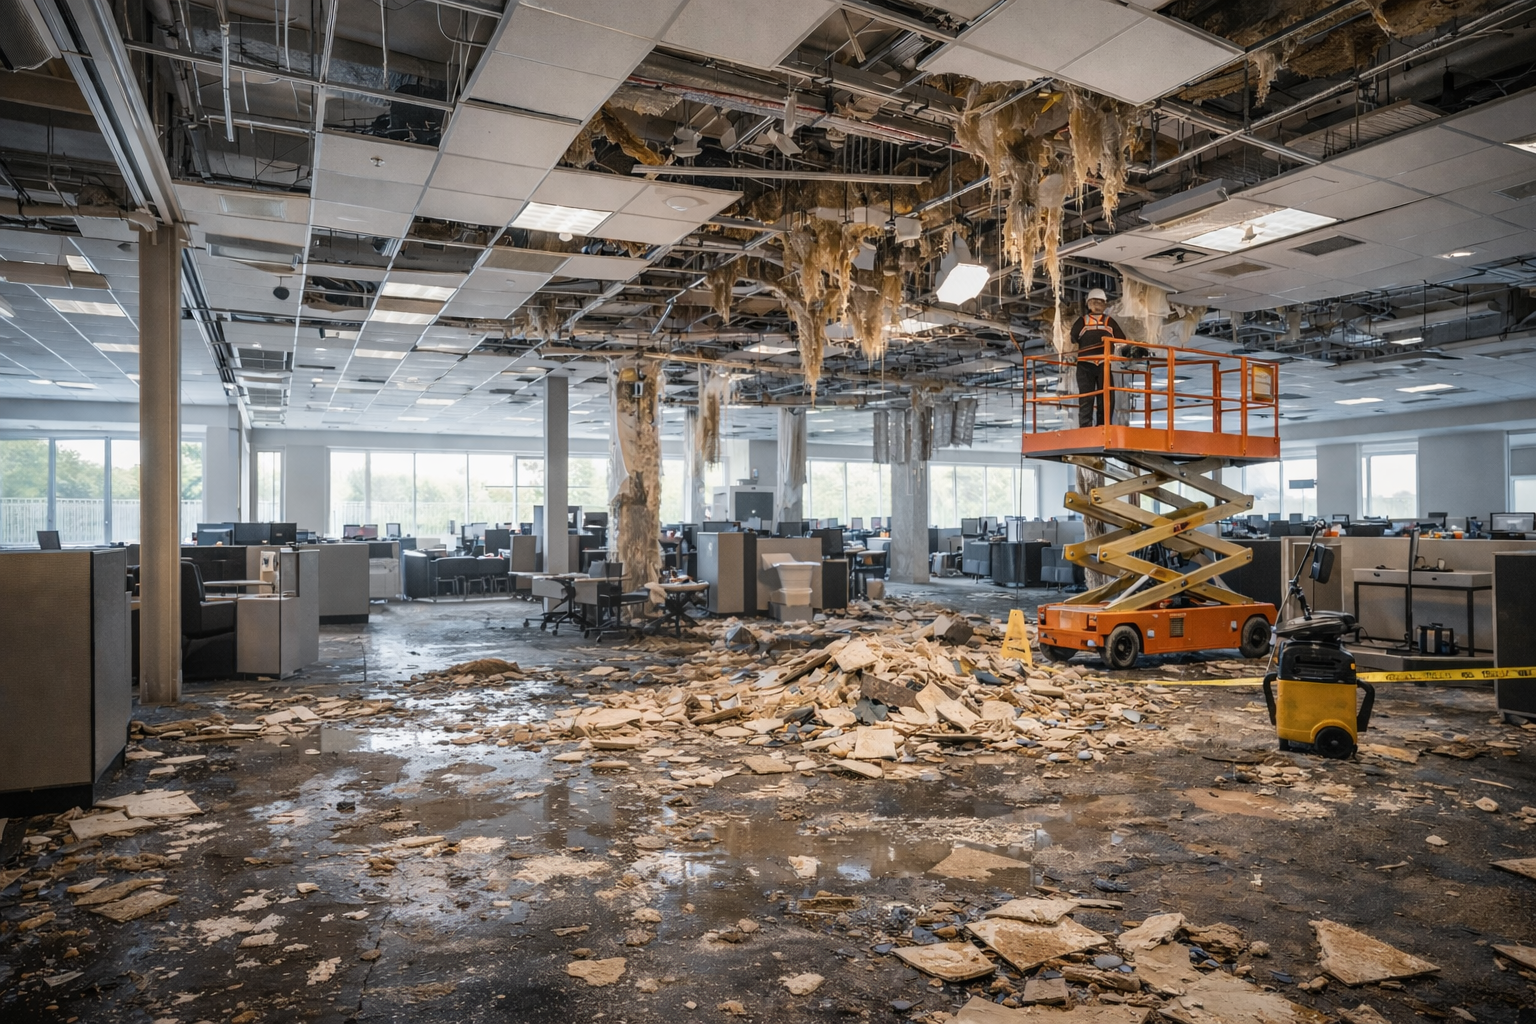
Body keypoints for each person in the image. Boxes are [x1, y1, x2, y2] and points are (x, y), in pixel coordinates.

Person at [1072, 288, 1129, 428]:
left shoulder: (1108, 322)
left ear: (1104, 304)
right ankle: (1088, 427)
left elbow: (1122, 340)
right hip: (1087, 365)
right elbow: (1072, 340)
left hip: (1102, 364)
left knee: (1105, 398)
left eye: (1100, 302)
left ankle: (1102, 426)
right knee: (1087, 398)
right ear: (1089, 304)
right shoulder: (1084, 321)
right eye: (1094, 302)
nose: (1097, 304)